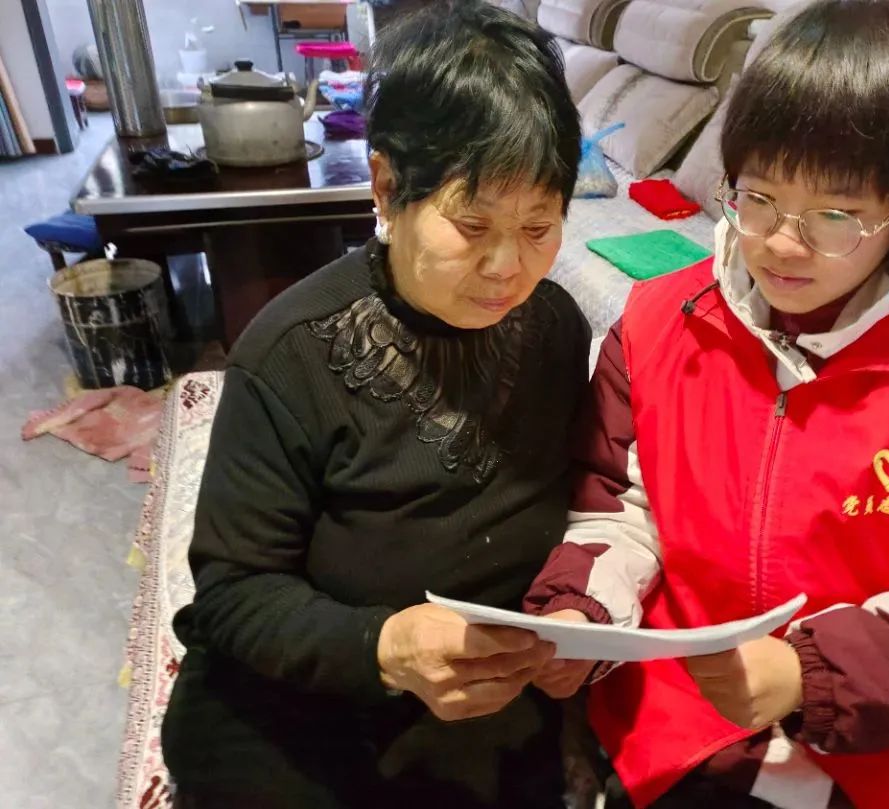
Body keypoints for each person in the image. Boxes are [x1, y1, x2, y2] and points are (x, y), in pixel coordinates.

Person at [523, 2, 889, 808]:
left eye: (835, 216)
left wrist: (805, 673)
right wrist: (582, 612)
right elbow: (616, 505)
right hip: (689, 721)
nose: (782, 243)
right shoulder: (655, 325)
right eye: (758, 198)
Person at [161, 2, 588, 807]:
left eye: (539, 226)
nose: (508, 266)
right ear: (388, 187)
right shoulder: (291, 352)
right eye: (472, 224)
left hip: (472, 688)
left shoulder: (557, 329)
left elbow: (581, 501)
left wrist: (576, 612)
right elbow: (233, 594)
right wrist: (384, 647)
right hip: (304, 689)